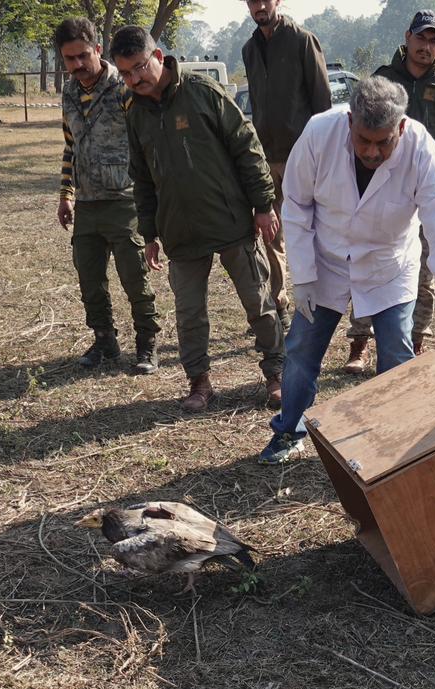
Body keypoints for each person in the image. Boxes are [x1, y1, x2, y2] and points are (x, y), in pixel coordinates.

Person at [259, 77, 435, 465]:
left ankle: (394, 442)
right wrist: (305, 276)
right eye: (364, 140)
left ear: (402, 128)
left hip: (389, 264)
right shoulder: (319, 133)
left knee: (396, 355)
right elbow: (295, 205)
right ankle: (289, 429)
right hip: (326, 260)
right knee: (301, 351)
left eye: (384, 142)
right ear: (349, 123)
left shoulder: (421, 149)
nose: (372, 152)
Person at [112, 26, 286, 415]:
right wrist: (150, 232)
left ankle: (277, 374)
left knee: (257, 302)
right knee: (190, 313)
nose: (134, 79)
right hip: (180, 231)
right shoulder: (134, 112)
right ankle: (200, 383)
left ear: (158, 58)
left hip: (230, 222)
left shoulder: (203, 93)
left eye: (139, 68)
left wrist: (263, 205)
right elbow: (140, 176)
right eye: (125, 73)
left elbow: (248, 148)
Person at [344, 8, 435, 371]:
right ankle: (359, 343)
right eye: (420, 37)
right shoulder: (382, 78)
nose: (425, 46)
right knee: (369, 263)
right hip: (380, 188)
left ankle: (415, 340)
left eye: (433, 40)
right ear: (407, 37)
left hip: (426, 190)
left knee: (423, 270)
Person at [53, 17, 159, 374]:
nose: (77, 65)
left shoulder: (125, 87)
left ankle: (147, 344)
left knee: (135, 279)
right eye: (69, 59)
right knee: (90, 279)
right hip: (86, 203)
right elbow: (72, 146)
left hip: (123, 199)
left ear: (97, 49)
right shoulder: (68, 92)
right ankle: (105, 341)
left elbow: (147, 143)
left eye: (83, 55)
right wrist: (66, 192)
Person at [241, 0, 333, 329]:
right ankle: (279, 301)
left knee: (315, 229)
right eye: (252, 1)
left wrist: (323, 153)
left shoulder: (302, 40)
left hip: (303, 155)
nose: (259, 6)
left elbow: (323, 104)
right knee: (270, 233)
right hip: (266, 156)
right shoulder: (249, 49)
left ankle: (325, 302)